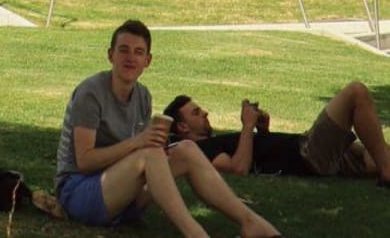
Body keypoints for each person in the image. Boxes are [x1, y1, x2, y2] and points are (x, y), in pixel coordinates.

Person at [55, 19, 281, 236]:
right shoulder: (91, 93)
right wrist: (139, 143)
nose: (130, 58)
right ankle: (196, 234)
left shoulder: (143, 96)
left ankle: (251, 223)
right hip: (79, 193)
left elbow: (137, 155)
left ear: (148, 60)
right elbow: (84, 162)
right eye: (123, 50)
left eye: (138, 52)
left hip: (121, 195)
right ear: (110, 55)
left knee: (186, 149)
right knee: (150, 154)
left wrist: (155, 149)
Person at [163, 82, 390, 186]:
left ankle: (385, 167)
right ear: (182, 127)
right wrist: (247, 126)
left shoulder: (213, 143)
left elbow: (259, 160)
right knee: (356, 93)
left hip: (315, 155)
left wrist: (263, 132)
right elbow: (237, 169)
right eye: (196, 112)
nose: (205, 112)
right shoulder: (201, 150)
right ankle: (386, 172)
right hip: (307, 154)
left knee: (378, 154)